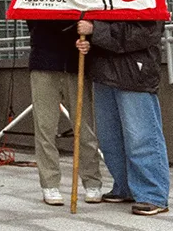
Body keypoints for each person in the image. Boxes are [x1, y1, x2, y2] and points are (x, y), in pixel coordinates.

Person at [76, 20, 170, 216]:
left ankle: (152, 194)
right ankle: (126, 186)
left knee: (141, 136)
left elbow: (147, 32)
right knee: (110, 138)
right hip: (104, 71)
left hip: (135, 72)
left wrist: (95, 30)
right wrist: (88, 42)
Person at [27, 20, 102, 206]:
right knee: (45, 127)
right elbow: (32, 20)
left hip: (76, 61)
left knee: (84, 127)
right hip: (44, 60)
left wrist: (88, 37)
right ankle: (49, 183)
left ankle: (92, 181)